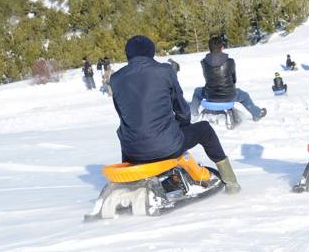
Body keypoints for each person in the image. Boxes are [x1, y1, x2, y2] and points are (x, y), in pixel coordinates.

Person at [110, 35, 240, 194]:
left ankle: (135, 181)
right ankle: (231, 182)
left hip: (132, 152)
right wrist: (184, 124)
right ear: (151, 52)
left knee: (132, 131)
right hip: (165, 145)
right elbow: (180, 106)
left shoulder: (116, 78)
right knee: (205, 129)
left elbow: (122, 114)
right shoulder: (164, 71)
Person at [190, 35, 266, 121]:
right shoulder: (230, 61)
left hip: (210, 95)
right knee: (245, 96)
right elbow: (234, 79)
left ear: (210, 48)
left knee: (197, 91)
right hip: (229, 95)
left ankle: (193, 114)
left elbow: (207, 77)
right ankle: (257, 114)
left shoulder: (203, 62)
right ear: (222, 47)